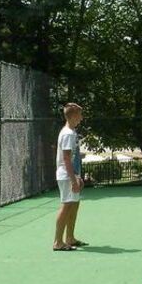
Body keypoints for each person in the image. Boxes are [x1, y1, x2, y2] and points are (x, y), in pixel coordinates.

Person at [53, 103, 88, 251]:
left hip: (72, 174)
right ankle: (58, 242)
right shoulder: (67, 133)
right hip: (66, 176)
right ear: (73, 116)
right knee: (66, 205)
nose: (81, 118)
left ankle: (70, 238)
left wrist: (78, 177)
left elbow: (72, 157)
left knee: (74, 205)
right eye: (80, 115)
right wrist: (74, 180)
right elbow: (66, 158)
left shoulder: (72, 132)